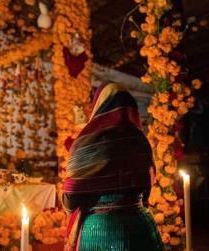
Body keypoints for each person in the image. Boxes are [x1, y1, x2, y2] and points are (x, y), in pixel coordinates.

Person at [63, 83, 163, 251]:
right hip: (140, 224)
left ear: (99, 105)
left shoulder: (86, 142)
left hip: (99, 231)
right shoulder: (140, 140)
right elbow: (147, 185)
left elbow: (72, 195)